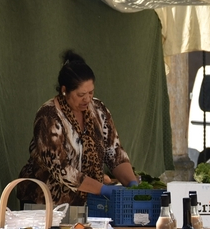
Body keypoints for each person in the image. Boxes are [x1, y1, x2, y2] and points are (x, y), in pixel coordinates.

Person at [17, 50, 139, 206]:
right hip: (44, 203)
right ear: (64, 90)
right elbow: (61, 169)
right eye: (81, 94)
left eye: (91, 92)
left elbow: (114, 152)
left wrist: (132, 184)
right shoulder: (48, 116)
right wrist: (102, 189)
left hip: (85, 202)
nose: (87, 99)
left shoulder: (99, 110)